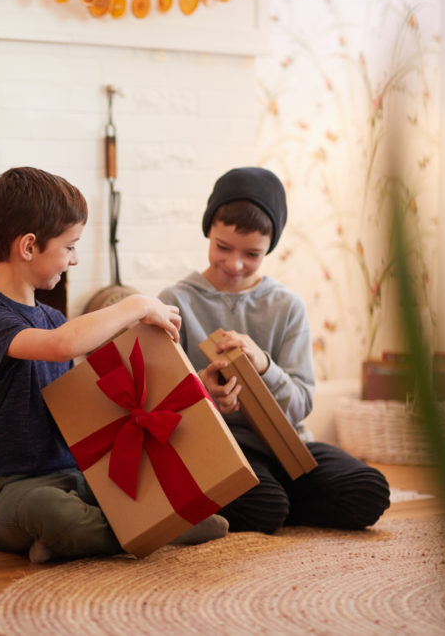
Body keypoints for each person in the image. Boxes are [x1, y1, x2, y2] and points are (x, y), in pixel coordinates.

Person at [0, 166, 228, 563]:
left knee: (172, 499)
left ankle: (74, 539)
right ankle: (148, 530)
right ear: (29, 246)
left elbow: (88, 387)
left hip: (73, 477)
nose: (74, 260)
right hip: (6, 491)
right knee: (51, 511)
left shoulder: (52, 319)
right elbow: (61, 346)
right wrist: (136, 304)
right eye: (69, 247)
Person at [158, 167, 390, 534]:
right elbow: (160, 407)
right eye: (222, 247)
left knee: (369, 490)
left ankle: (273, 502)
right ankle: (272, 503)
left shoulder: (287, 306)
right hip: (223, 447)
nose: (234, 264)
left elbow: (300, 405)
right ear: (208, 231)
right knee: (263, 504)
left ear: (270, 247)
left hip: (288, 446)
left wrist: (265, 365)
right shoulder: (175, 302)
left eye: (252, 254)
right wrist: (205, 390)